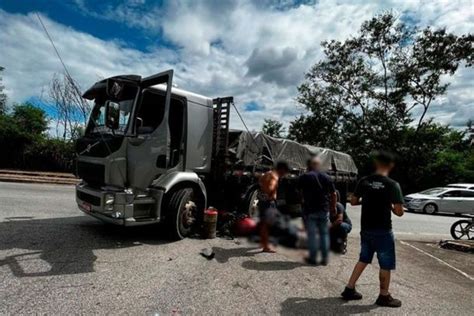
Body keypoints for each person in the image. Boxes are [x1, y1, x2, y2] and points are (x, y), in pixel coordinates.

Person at [341, 151, 405, 308]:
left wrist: (368, 200)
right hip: (383, 230)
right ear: (390, 165)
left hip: (366, 229)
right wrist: (389, 205)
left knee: (363, 259)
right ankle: (384, 296)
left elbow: (354, 201)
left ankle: (349, 289)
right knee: (385, 264)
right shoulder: (392, 185)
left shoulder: (364, 181)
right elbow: (399, 212)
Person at [298, 156, 337, 265]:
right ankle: (324, 259)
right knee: (324, 234)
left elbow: (299, 192)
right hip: (323, 209)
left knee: (312, 235)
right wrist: (333, 207)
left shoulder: (304, 177)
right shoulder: (326, 177)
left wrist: (302, 201)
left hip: (310, 210)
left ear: (309, 165)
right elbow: (333, 194)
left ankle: (313, 258)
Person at [257, 161, 290, 253]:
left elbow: (260, 182)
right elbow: (271, 188)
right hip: (269, 202)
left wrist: (263, 192)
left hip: (262, 201)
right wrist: (271, 195)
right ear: (281, 170)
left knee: (263, 223)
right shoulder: (275, 176)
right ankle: (266, 246)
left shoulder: (267, 173)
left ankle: (263, 242)